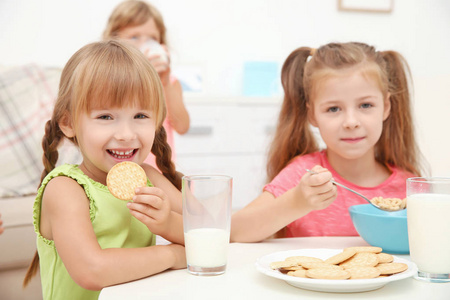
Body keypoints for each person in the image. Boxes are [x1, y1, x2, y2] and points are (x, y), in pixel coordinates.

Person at [22, 40, 186, 300]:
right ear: (68, 122)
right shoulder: (64, 189)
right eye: (106, 117)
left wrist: (168, 224)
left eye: (141, 116)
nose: (125, 134)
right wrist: (173, 254)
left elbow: (206, 229)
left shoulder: (148, 177)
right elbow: (92, 270)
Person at [231, 42, 423, 243]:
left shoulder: (408, 188)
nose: (351, 122)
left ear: (385, 107)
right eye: (333, 109)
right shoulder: (302, 176)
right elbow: (234, 232)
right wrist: (296, 202)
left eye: (366, 105)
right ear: (312, 114)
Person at [103, 0, 190, 167]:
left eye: (152, 38)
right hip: (120, 169)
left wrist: (164, 82)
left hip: (161, 175)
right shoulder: (108, 81)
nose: (145, 44)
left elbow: (183, 127)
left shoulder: (169, 83)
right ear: (114, 41)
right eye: (134, 37)